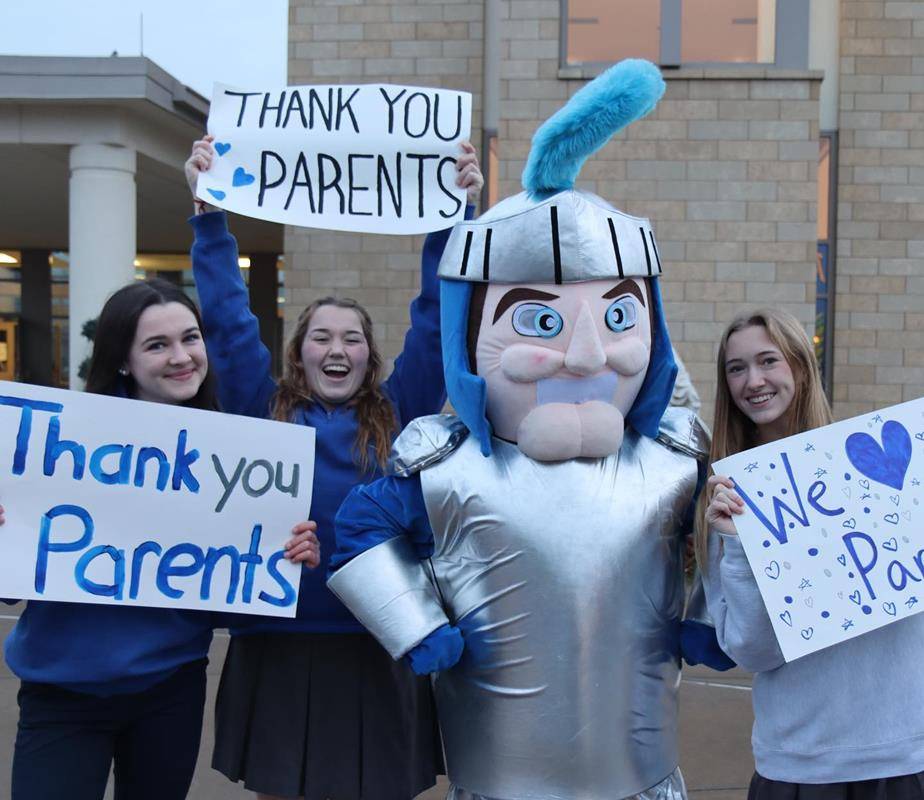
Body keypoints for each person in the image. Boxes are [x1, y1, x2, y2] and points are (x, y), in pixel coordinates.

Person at [328, 59, 728, 800]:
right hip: (499, 781)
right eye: (540, 320)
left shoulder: (675, 460)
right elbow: (359, 532)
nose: (585, 353)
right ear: (469, 332)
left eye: (617, 317)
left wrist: (705, 615)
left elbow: (733, 533)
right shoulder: (443, 468)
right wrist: (414, 622)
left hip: (639, 778)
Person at [184, 136, 483, 800]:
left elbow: (435, 321)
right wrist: (208, 217)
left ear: (370, 355)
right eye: (321, 335)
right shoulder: (261, 407)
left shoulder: (401, 411)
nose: (337, 347)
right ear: (299, 352)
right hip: (279, 644)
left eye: (352, 337)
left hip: (379, 641)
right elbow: (230, 324)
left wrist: (453, 213)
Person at [3, 278, 319, 800]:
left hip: (169, 690)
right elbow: (11, 582)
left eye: (190, 338)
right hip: (62, 693)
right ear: (122, 360)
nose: (182, 357)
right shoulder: (57, 449)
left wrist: (286, 557)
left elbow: (237, 606)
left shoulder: (237, 455)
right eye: (157, 345)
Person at [698, 308, 924, 800]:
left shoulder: (877, 471)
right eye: (736, 369)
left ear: (800, 366)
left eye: (767, 361)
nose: (753, 381)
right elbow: (754, 651)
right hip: (799, 763)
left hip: (906, 753)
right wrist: (737, 547)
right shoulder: (726, 502)